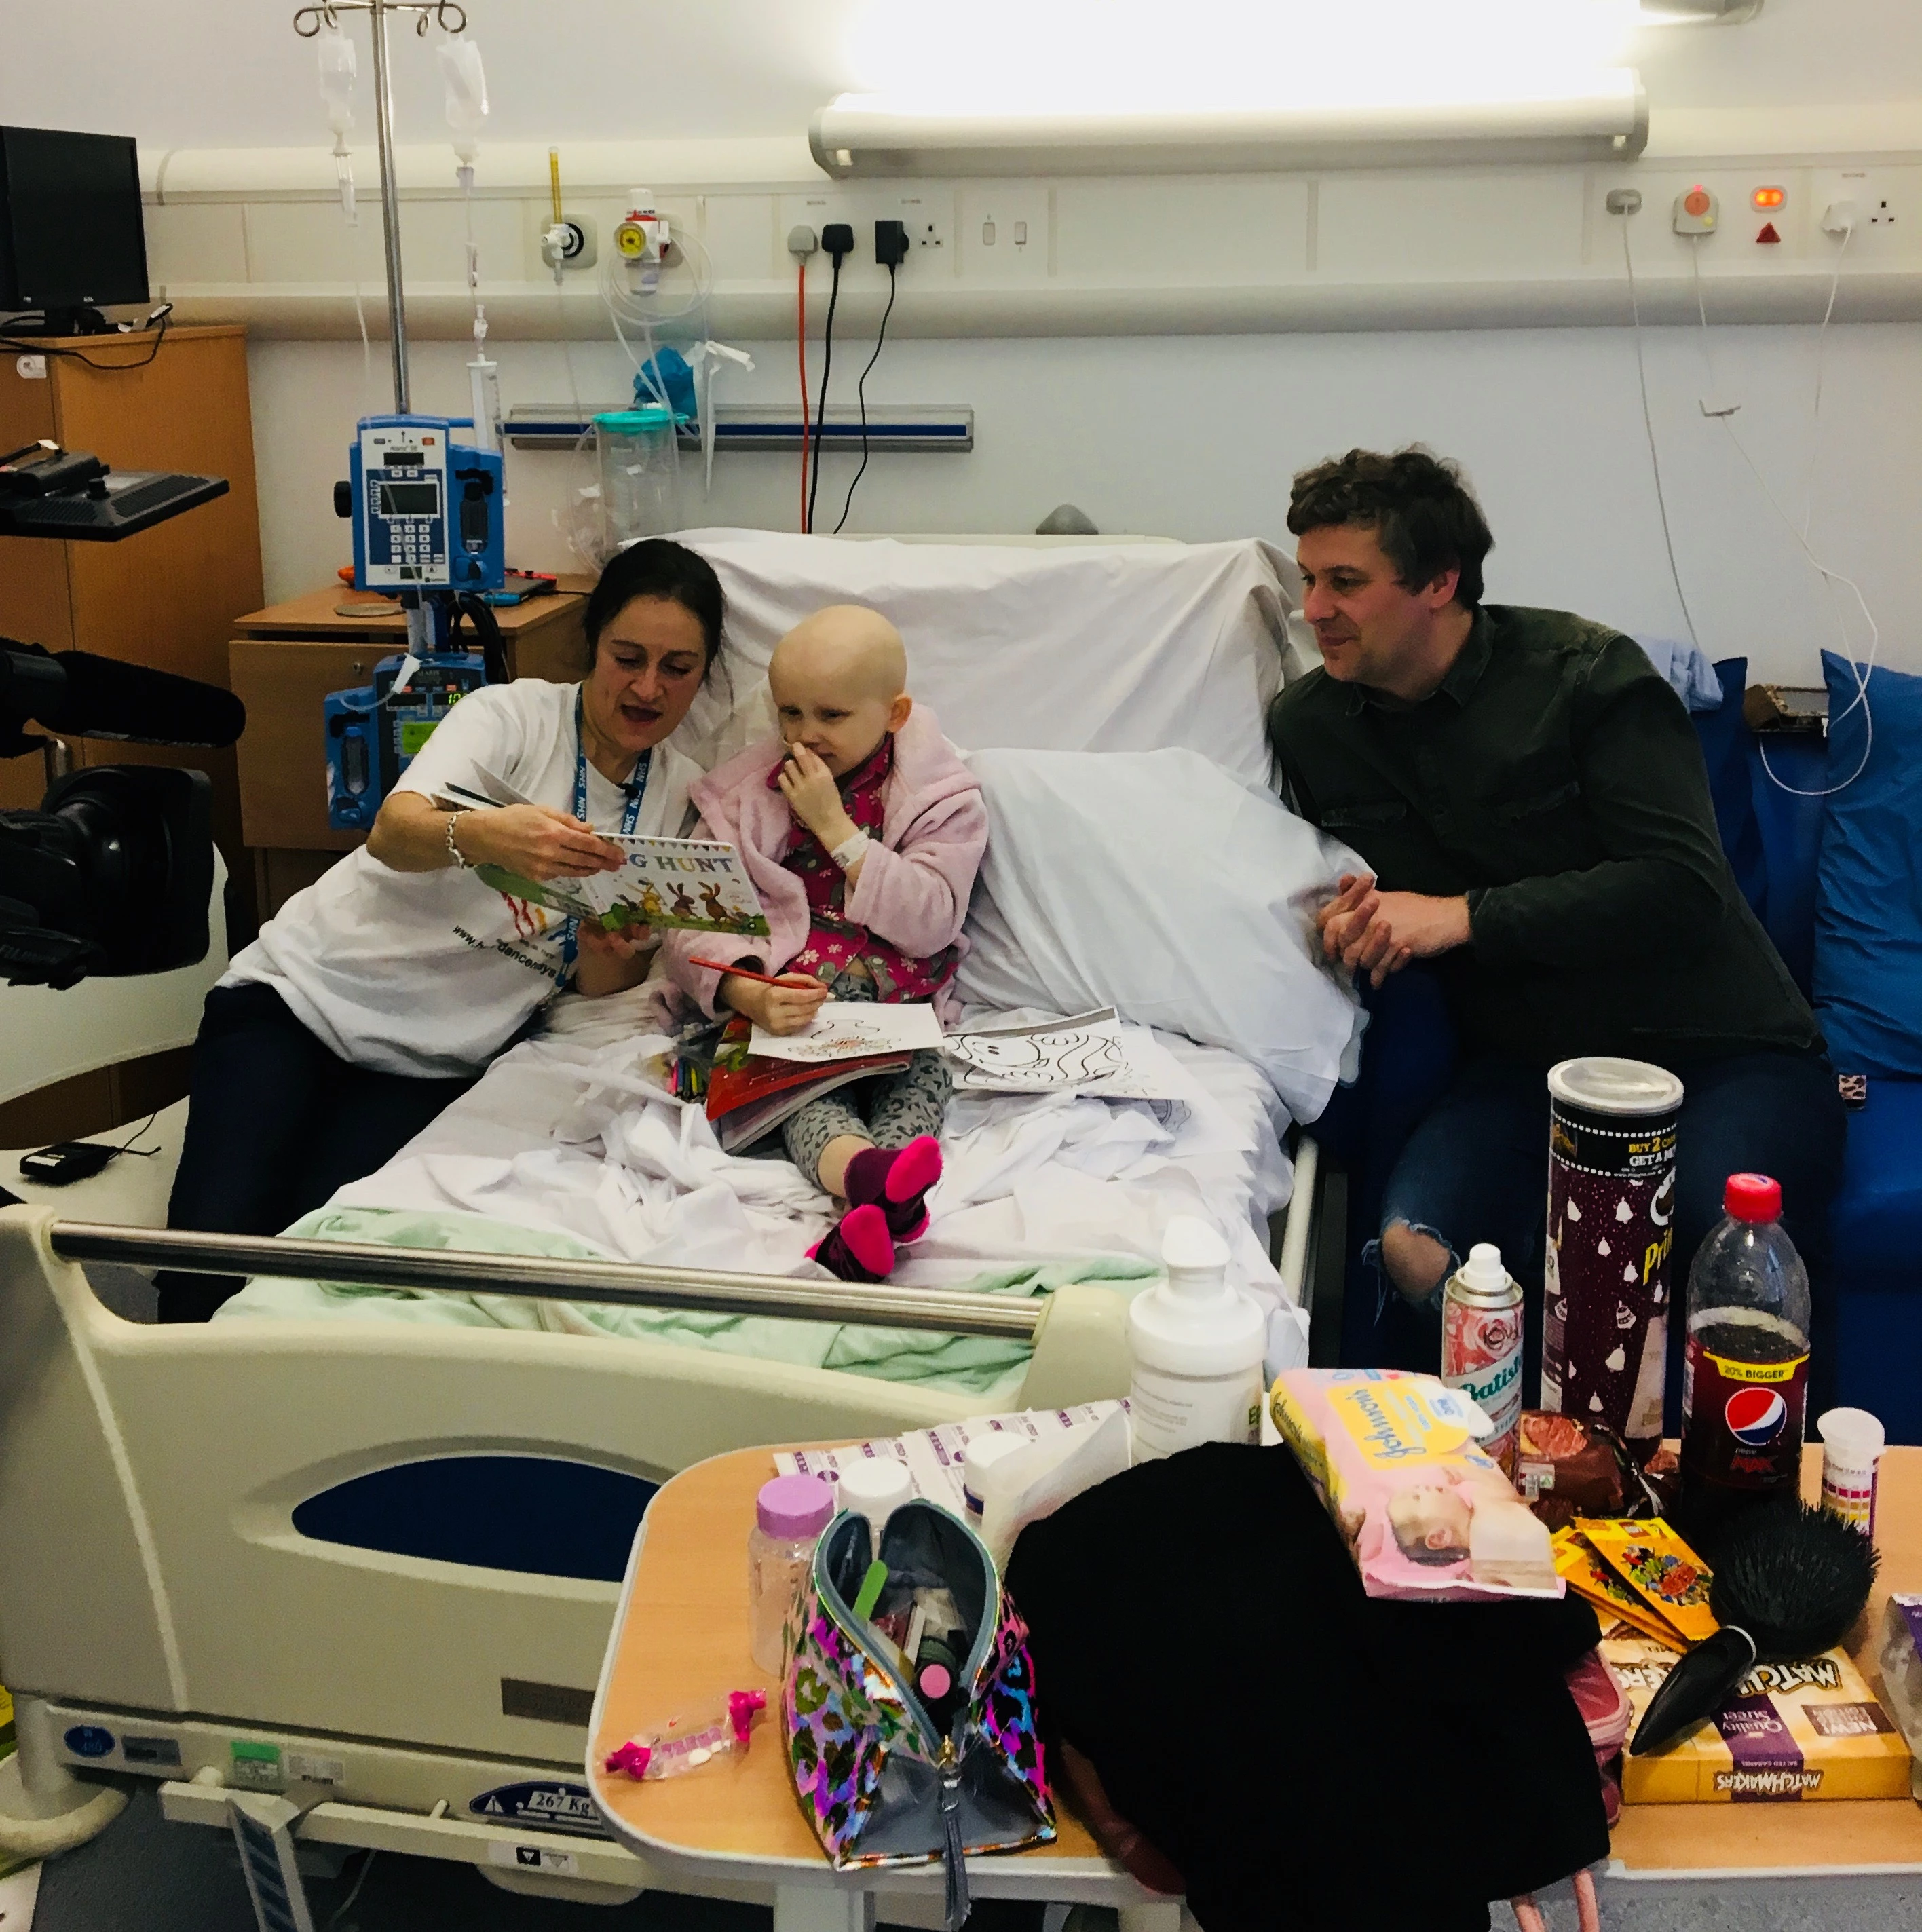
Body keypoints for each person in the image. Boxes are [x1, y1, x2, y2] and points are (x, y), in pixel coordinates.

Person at [1266, 447, 1846, 1397]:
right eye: (1308, 580)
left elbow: (1682, 885)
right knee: (1417, 1249)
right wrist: (1351, 916)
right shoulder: (1311, 727)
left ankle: (1728, 1502)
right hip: (1526, 1073)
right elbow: (1346, 883)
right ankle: (1521, 1474)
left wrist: (1462, 916)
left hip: (1718, 1051)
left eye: (1345, 583)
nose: (1314, 609)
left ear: (1440, 583)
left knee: (1706, 1239)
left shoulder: (1586, 680)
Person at [157, 540, 728, 1321]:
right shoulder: (512, 718)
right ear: (592, 644)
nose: (647, 686)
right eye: (627, 656)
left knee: (310, 1271)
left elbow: (598, 985)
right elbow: (395, 832)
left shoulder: (683, 799)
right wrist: (492, 835)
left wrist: (609, 955)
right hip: (299, 1005)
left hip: (435, 1064)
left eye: (678, 667)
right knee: (207, 1264)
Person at [662, 604, 987, 1284]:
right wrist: (743, 988)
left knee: (923, 1081)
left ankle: (870, 1205)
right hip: (792, 1015)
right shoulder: (749, 796)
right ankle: (874, 1186)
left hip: (901, 1017)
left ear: (895, 714)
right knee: (801, 1095)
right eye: (790, 714)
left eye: (831, 717)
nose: (805, 736)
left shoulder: (942, 799)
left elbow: (933, 918)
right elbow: (690, 915)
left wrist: (839, 833)